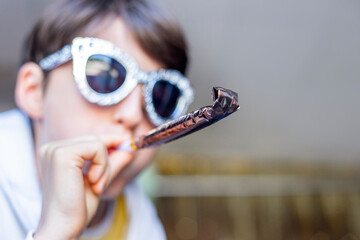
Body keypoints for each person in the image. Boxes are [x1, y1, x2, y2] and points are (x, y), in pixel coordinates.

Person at [0, 0, 194, 239]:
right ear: (34, 91)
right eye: (106, 77)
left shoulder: (139, 220)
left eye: (161, 96)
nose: (133, 116)